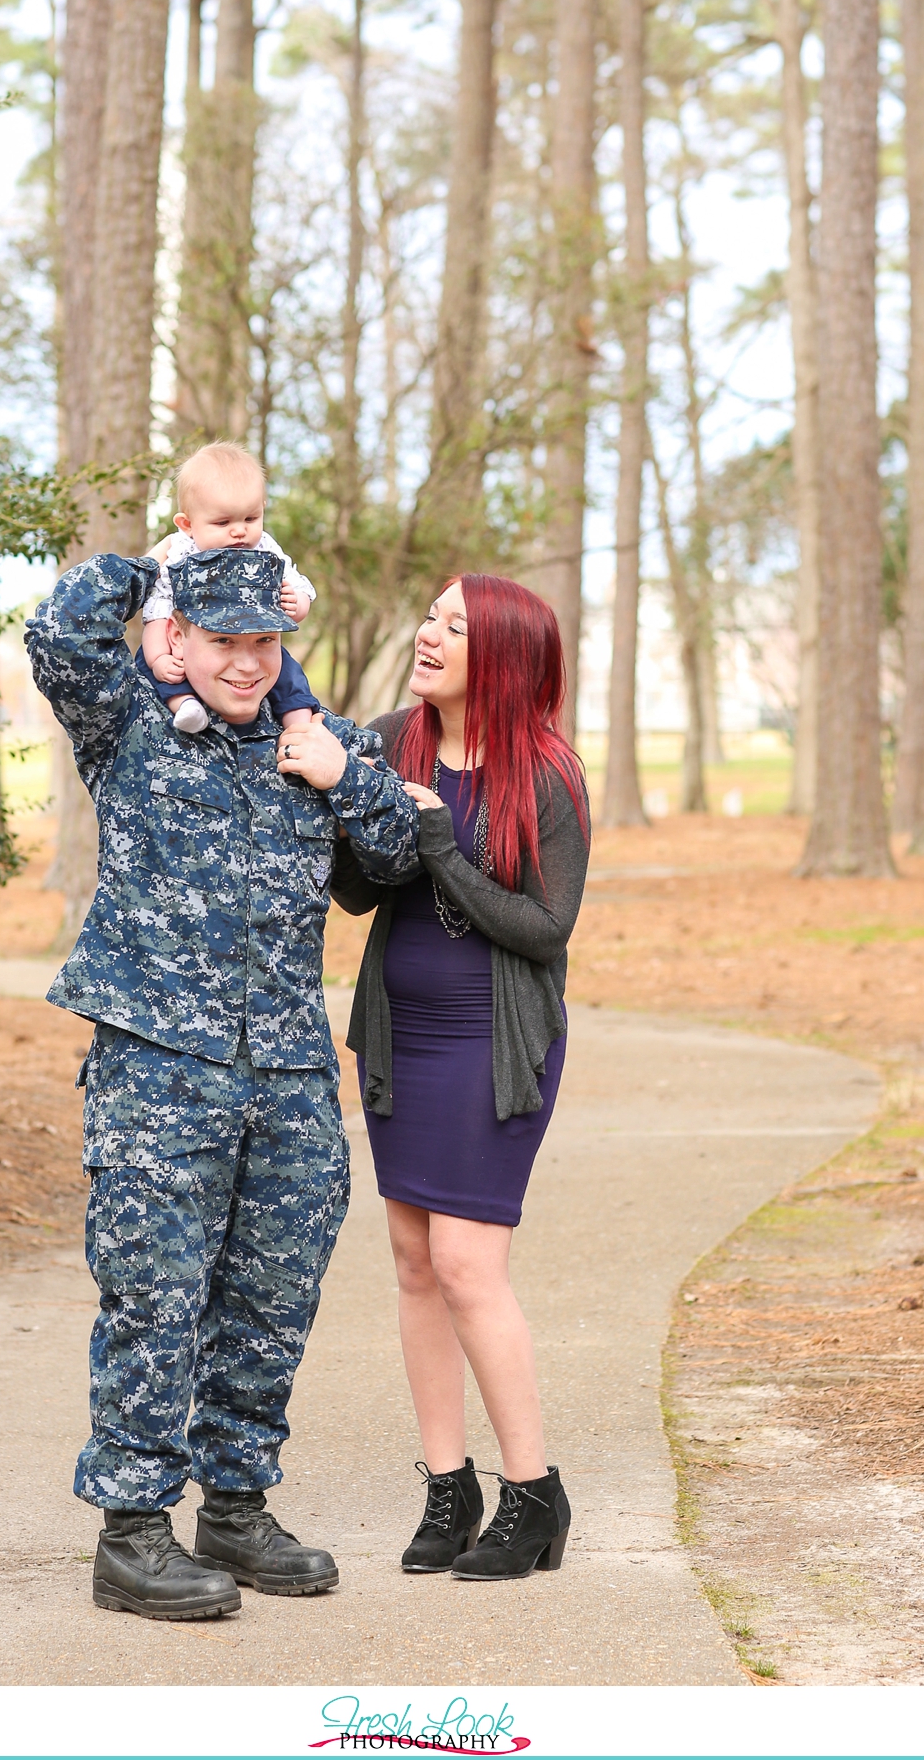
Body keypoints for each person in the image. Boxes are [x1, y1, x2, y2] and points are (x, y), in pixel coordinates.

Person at [25, 543, 420, 1621]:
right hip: (158, 1063)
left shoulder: (311, 737)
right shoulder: (131, 730)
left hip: (288, 1070)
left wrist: (343, 775)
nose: (246, 662)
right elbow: (56, 638)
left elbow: (394, 855)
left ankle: (236, 1506)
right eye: (223, 640)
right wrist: (146, 562)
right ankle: (133, 1530)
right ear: (178, 639)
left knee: (270, 1298)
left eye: (262, 640)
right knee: (154, 1296)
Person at [331, 573, 591, 1581]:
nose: (427, 632)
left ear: (506, 657)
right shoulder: (396, 738)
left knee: (471, 1266)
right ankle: (451, 1487)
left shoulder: (548, 773)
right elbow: (359, 891)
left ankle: (535, 1493)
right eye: (429, 614)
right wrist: (341, 807)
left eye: (454, 625)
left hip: (493, 1037)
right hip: (401, 1031)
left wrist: (438, 841)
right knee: (412, 1262)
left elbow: (543, 928)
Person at [141, 439, 320, 736]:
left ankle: (300, 725)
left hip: (256, 621)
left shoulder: (265, 548)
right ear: (187, 524)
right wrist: (159, 656)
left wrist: (297, 603)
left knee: (290, 673)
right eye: (223, 522)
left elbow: (297, 584)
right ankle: (184, 704)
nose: (239, 531)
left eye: (251, 518)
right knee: (160, 669)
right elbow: (158, 610)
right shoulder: (181, 554)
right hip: (178, 650)